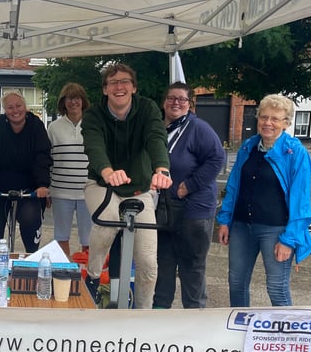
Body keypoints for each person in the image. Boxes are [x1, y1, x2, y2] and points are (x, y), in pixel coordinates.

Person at [82, 63, 172, 309]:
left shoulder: (147, 108)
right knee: (107, 220)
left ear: (133, 87)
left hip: (138, 187)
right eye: (113, 82)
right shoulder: (93, 115)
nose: (119, 87)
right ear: (105, 90)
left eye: (124, 82)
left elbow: (155, 137)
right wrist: (108, 171)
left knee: (147, 259)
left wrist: (161, 169)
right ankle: (92, 277)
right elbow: (94, 145)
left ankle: (143, 312)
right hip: (102, 183)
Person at [217, 94, 311, 307]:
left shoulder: (295, 152)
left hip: (276, 230)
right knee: (236, 283)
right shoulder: (249, 146)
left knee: (276, 288)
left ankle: (286, 338)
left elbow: (301, 201)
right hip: (242, 226)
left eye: (275, 119)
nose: (268, 123)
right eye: (264, 117)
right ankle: (239, 331)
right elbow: (234, 185)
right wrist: (225, 220)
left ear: (286, 123)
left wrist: (289, 240)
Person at [152, 82, 225, 309]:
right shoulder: (158, 129)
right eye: (172, 98)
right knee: (163, 264)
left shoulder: (197, 128)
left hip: (195, 209)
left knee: (191, 267)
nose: (176, 103)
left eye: (182, 99)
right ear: (164, 101)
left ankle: (193, 322)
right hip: (164, 208)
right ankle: (160, 316)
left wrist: (190, 184)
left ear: (190, 104)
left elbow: (217, 159)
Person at [0, 91, 52, 253]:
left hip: (28, 188)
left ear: (25, 107)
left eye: (18, 106)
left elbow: (42, 156)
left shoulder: (36, 126)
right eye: (10, 107)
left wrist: (42, 184)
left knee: (31, 222)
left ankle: (32, 259)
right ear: (5, 110)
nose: (15, 110)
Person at [47, 82, 92, 259]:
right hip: (60, 191)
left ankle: (86, 275)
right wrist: (48, 189)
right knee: (61, 236)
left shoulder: (93, 124)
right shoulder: (53, 127)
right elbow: (48, 159)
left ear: (83, 101)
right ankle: (65, 270)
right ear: (63, 102)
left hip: (88, 191)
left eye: (77, 98)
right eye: (68, 98)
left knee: (88, 239)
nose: (73, 102)